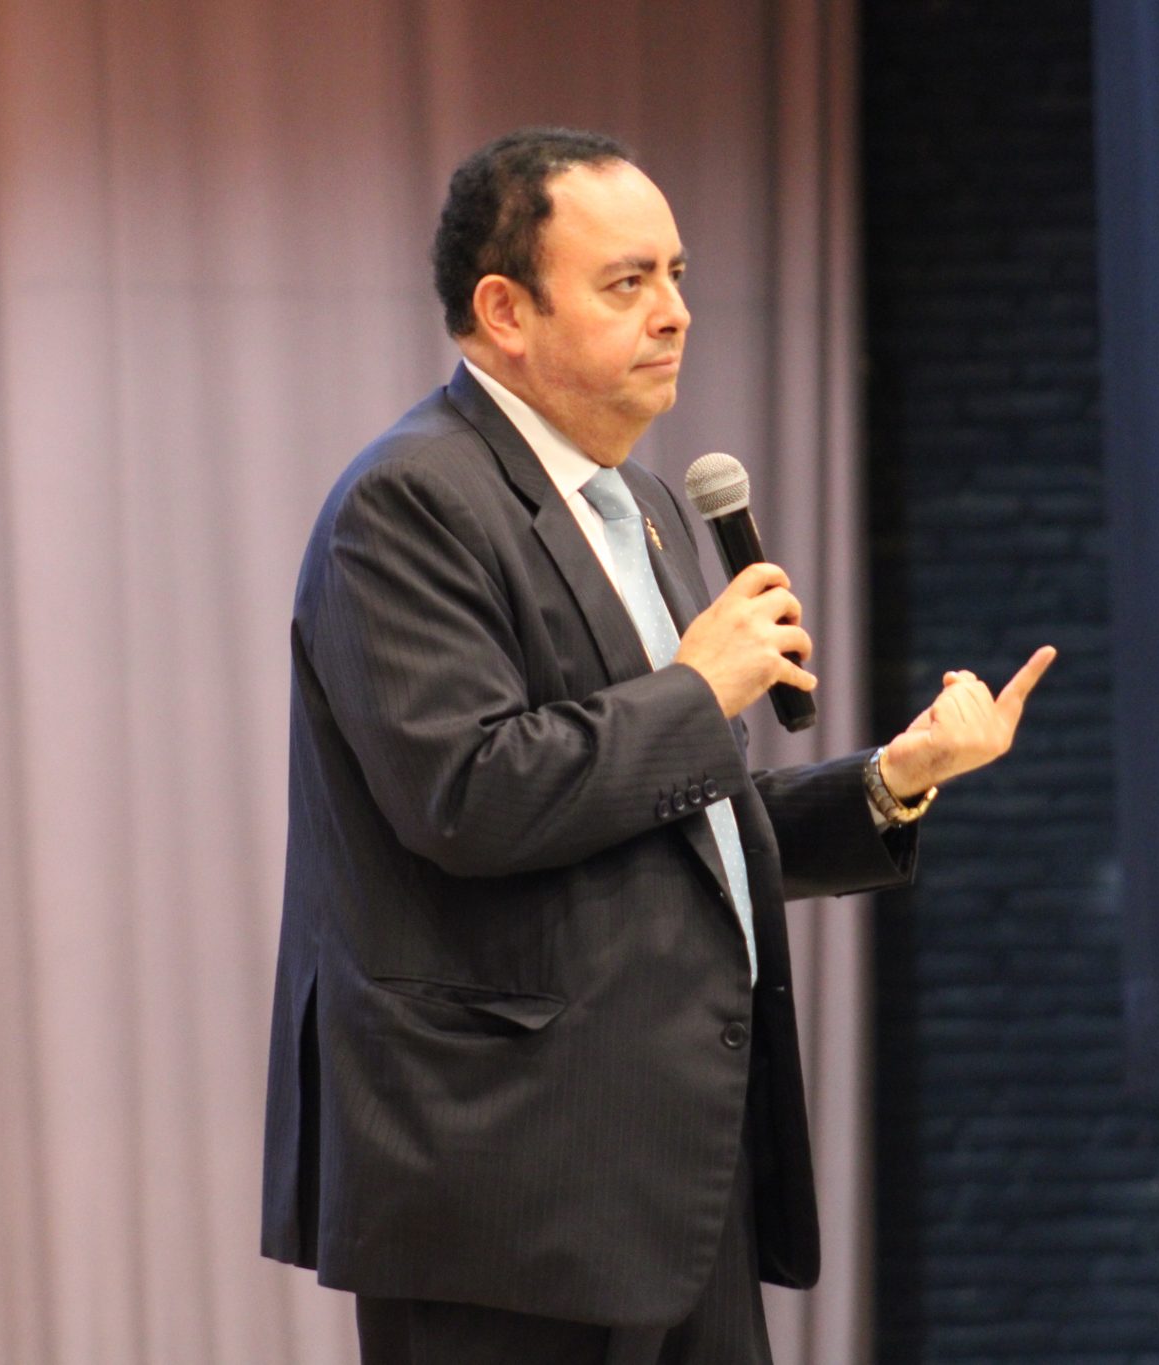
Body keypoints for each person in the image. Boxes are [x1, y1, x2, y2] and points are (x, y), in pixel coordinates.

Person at [260, 127, 1055, 1365]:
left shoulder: (640, 506)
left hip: (673, 1171)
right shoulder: (410, 500)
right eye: (627, 282)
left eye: (675, 276)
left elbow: (668, 815)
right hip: (507, 1188)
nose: (674, 312)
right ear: (504, 311)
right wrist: (697, 686)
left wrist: (887, 785)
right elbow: (468, 795)